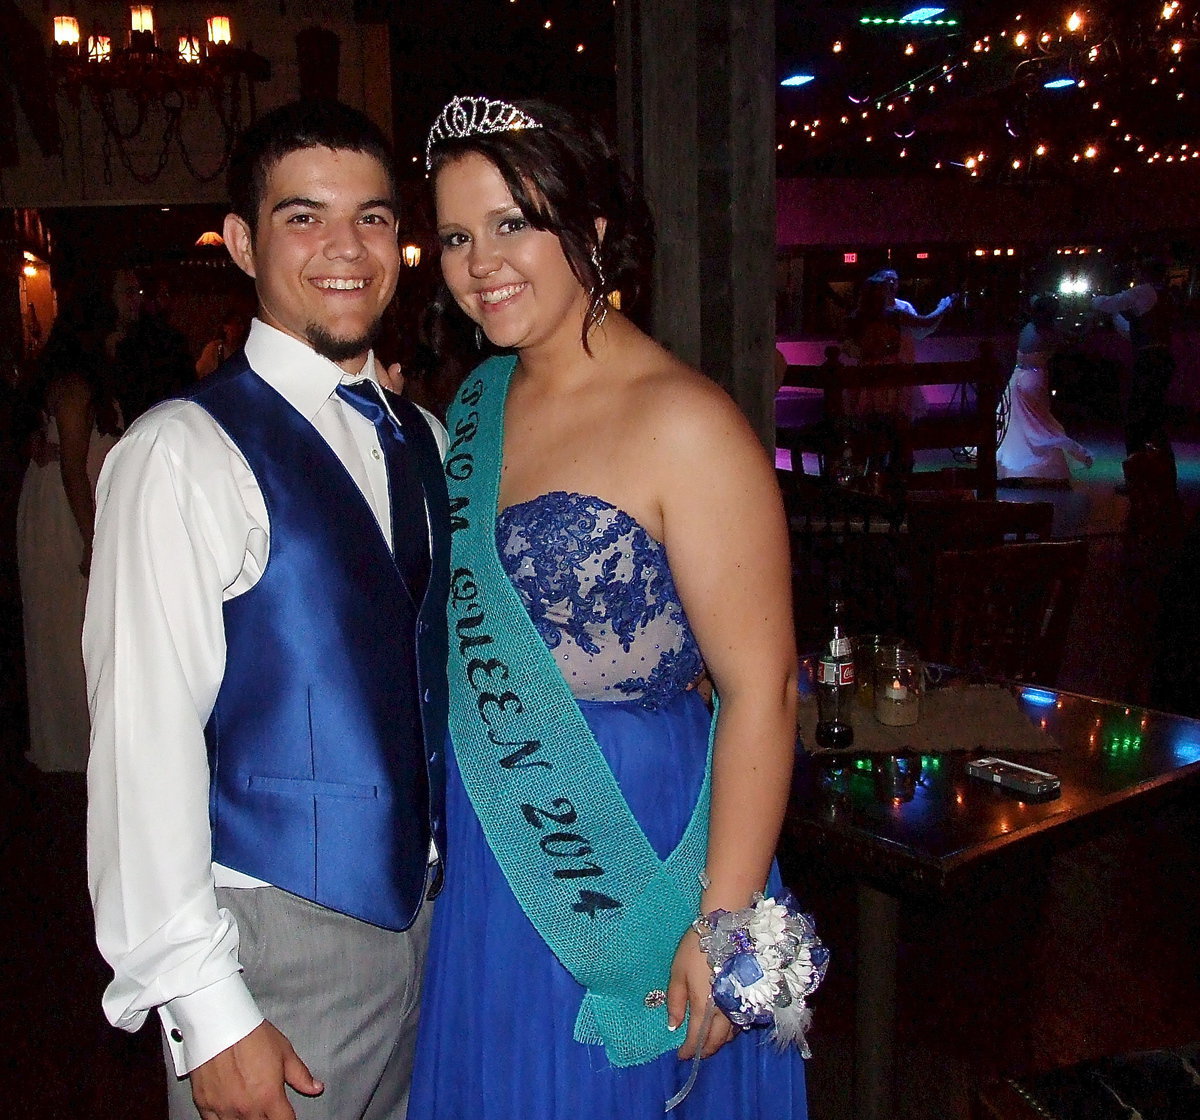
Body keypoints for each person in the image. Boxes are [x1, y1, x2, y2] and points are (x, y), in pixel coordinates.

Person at [411, 96, 814, 1117]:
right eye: (457, 235)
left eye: (513, 223)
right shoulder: (474, 403)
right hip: (499, 857)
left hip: (643, 849)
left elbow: (763, 689)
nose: (479, 262)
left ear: (589, 228)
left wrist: (720, 927)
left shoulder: (686, 421)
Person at [85, 99, 450, 1120]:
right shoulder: (180, 451)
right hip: (273, 945)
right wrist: (207, 1006)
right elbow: (140, 742)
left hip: (428, 929)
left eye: (373, 217)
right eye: (305, 216)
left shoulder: (420, 437)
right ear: (243, 242)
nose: (346, 247)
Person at [16, 281, 123, 772]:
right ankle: (74, 748)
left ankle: (74, 743)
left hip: (61, 507)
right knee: (70, 632)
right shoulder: (77, 386)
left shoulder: (77, 381)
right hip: (65, 514)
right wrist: (90, 538)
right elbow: (72, 470)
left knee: (68, 631)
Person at [997, 294, 1093, 486]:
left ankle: (1012, 467)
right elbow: (1073, 342)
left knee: (1017, 423)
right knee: (1038, 424)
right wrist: (1089, 322)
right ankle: (1040, 467)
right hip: (1034, 379)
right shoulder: (1050, 332)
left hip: (1016, 378)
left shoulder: (1028, 328)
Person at [1091, 255, 1175, 458]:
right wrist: (1115, 316)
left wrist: (1094, 300)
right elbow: (1133, 331)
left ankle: (1137, 468)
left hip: (1149, 360)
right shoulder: (1166, 295)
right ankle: (1154, 468)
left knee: (1137, 416)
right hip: (1162, 358)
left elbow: (1112, 303)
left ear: (1146, 273)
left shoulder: (1144, 291)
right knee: (1153, 416)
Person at [194, 306, 251, 378]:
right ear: (225, 327)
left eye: (242, 324)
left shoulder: (246, 349)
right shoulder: (214, 348)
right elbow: (200, 372)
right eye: (236, 324)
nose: (241, 328)